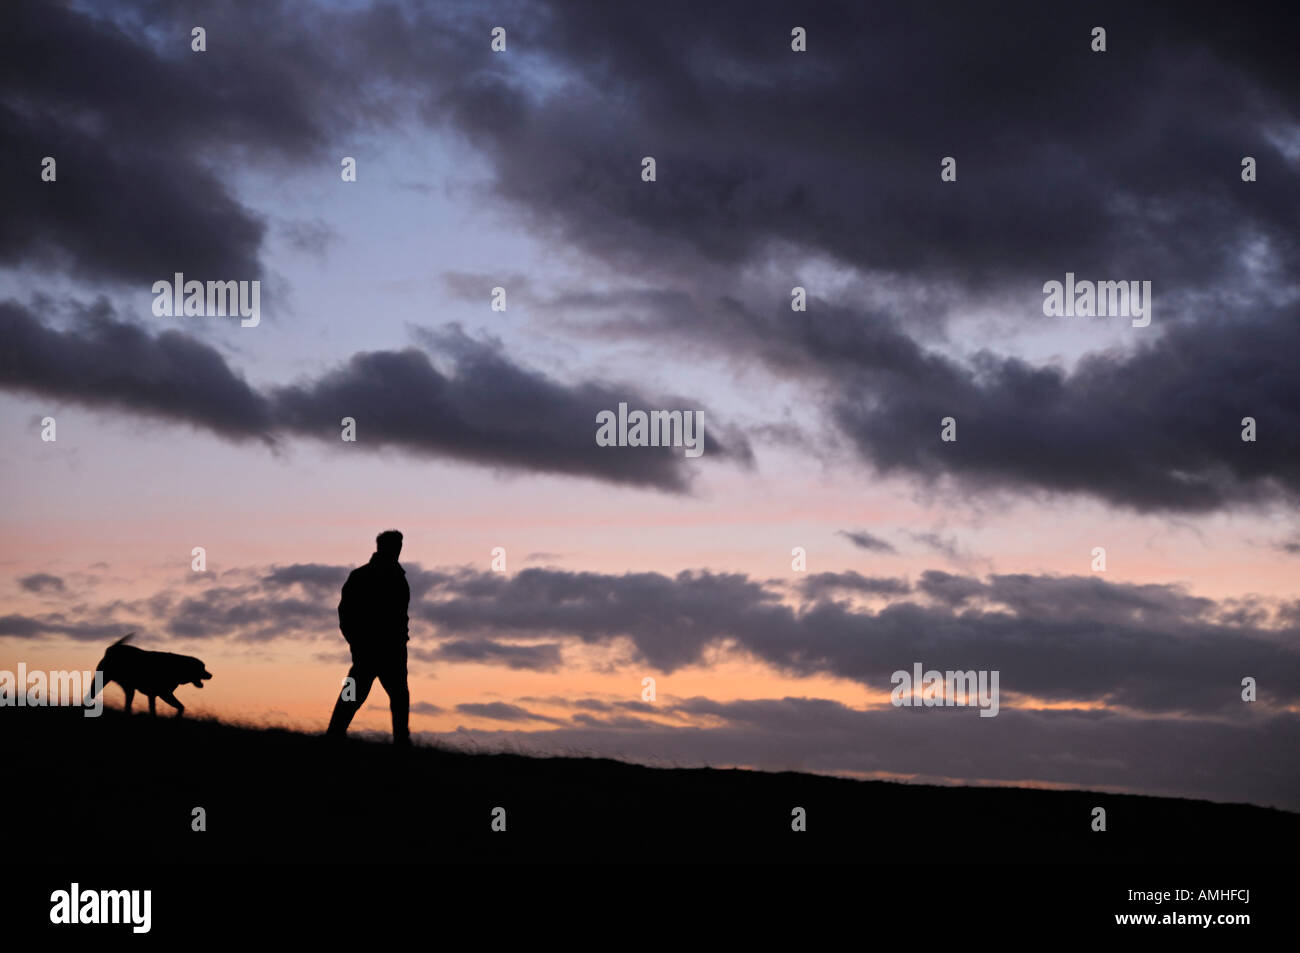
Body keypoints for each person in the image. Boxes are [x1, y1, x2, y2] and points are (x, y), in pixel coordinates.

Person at [327, 529, 411, 745]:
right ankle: (334, 734)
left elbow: (400, 616)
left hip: (391, 650)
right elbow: (346, 613)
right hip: (372, 649)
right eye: (394, 545)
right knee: (355, 691)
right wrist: (357, 642)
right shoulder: (363, 576)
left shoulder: (396, 577)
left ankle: (401, 742)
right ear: (382, 547)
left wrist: (401, 639)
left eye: (399, 545)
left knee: (397, 696)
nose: (398, 549)